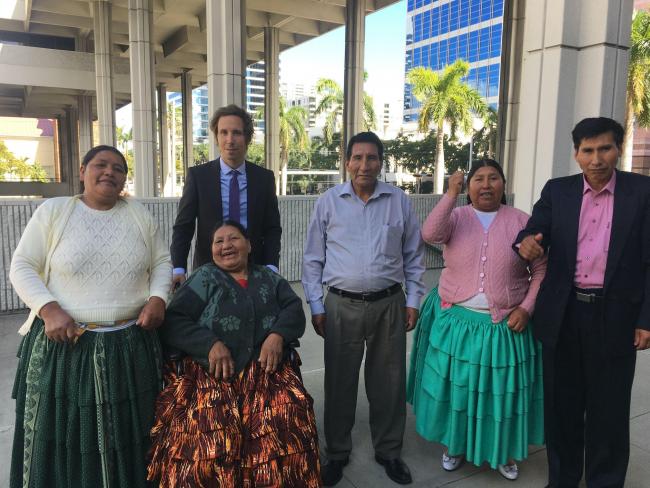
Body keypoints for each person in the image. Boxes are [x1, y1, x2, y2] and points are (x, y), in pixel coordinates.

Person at [8, 145, 172, 488]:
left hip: (130, 347)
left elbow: (160, 263)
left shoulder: (138, 214)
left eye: (119, 168)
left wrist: (158, 297)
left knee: (130, 437)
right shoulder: (54, 212)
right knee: (64, 441)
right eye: (101, 165)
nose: (110, 172)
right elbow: (22, 266)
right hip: (65, 348)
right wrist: (49, 309)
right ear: (82, 170)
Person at [515, 117, 650, 487]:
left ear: (618, 149)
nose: (596, 158)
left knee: (609, 413)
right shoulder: (559, 191)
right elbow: (531, 230)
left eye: (604, 148)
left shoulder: (642, 191)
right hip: (564, 315)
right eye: (587, 150)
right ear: (576, 154)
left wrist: (646, 318)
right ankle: (562, 480)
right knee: (562, 410)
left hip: (616, 317)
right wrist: (525, 242)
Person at [148, 220, 320, 487]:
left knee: (283, 423)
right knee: (208, 438)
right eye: (219, 241)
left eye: (234, 239)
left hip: (267, 374)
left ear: (249, 245)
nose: (226, 245)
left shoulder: (269, 278)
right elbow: (174, 320)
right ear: (211, 249)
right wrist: (208, 344)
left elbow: (294, 309)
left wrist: (277, 335)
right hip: (212, 377)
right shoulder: (203, 278)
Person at [407, 160, 546, 481]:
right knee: (460, 391)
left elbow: (541, 269)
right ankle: (455, 446)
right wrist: (450, 194)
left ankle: (503, 451)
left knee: (501, 394)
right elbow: (430, 233)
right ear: (468, 187)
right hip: (458, 325)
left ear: (503, 183)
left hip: (505, 327)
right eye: (478, 179)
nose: (486, 185)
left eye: (493, 178)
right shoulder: (457, 217)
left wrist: (527, 307)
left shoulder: (522, 221)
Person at [302, 131, 425, 486]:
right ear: (346, 162)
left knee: (388, 384)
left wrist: (413, 300)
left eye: (371, 158)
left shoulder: (399, 201)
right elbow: (312, 258)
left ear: (380, 163)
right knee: (339, 382)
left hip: (389, 304)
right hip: (340, 305)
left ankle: (388, 451)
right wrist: (315, 305)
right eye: (357, 157)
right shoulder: (328, 202)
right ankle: (337, 452)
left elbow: (414, 256)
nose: (364, 165)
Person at [170, 104, 281, 287]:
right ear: (216, 137)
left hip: (254, 270)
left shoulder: (264, 178)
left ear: (247, 138)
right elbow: (184, 226)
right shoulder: (198, 177)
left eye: (236, 133)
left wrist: (271, 266)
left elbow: (272, 228)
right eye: (223, 132)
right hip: (208, 270)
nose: (230, 140)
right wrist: (178, 268)